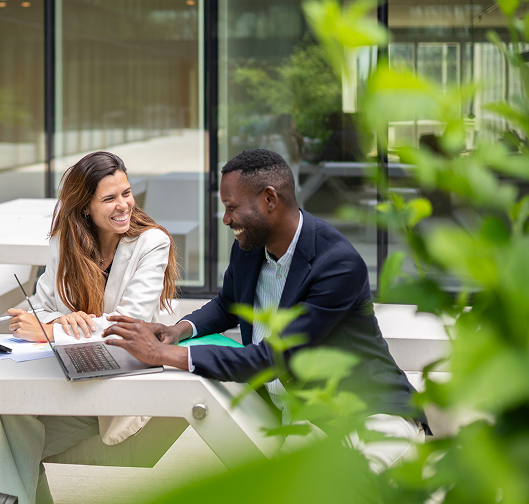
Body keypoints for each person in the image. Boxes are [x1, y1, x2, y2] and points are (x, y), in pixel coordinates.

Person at [103, 148, 429, 472]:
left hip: (373, 414)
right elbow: (227, 305)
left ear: (269, 199)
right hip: (309, 418)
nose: (226, 219)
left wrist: (162, 354)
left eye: (232, 207)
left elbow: (274, 358)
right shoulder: (249, 248)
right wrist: (178, 330)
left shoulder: (336, 264)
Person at [0, 151, 179, 504]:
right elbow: (42, 305)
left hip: (118, 384)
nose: (123, 205)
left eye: (126, 193)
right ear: (85, 206)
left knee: (3, 434)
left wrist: (52, 331)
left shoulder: (151, 243)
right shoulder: (63, 242)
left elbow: (129, 327)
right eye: (109, 198)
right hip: (66, 378)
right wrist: (57, 320)